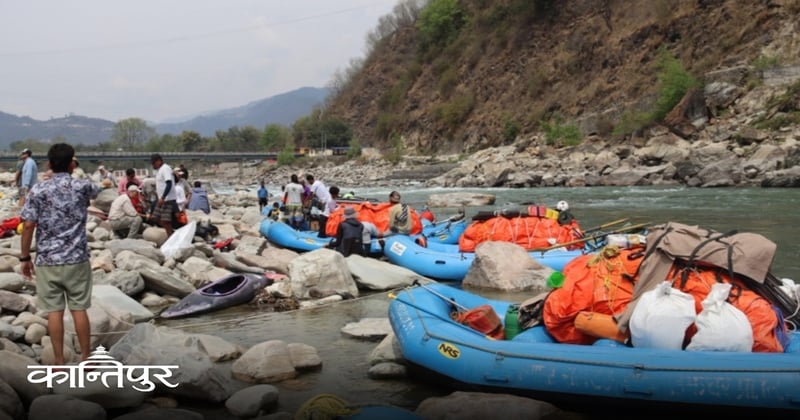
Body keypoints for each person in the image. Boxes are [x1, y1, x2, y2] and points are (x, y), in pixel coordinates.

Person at [19, 142, 100, 365]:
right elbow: (98, 188)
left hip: (48, 260)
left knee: (54, 311)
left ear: (48, 163)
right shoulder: (82, 187)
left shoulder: (39, 190)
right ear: (72, 163)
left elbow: (27, 226)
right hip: (77, 259)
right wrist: (75, 169)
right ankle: (86, 358)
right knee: (79, 309)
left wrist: (25, 257)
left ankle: (58, 362)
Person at [150, 153, 178, 236]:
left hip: (167, 199)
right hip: (162, 199)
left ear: (158, 161)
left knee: (165, 220)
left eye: (153, 163)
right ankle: (172, 233)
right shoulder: (160, 170)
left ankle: (171, 236)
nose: (153, 165)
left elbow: (169, 183)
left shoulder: (165, 168)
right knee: (155, 217)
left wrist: (163, 197)